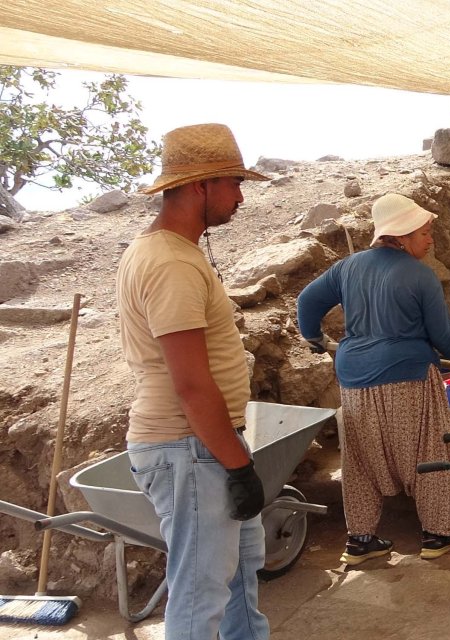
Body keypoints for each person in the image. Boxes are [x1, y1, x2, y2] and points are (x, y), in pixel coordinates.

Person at [116, 123, 271, 640]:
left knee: (239, 572)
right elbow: (190, 384)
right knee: (199, 594)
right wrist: (237, 463)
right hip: (189, 444)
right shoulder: (171, 264)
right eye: (233, 183)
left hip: (201, 443)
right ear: (202, 186)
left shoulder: (173, 253)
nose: (241, 197)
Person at [296, 193, 450, 565]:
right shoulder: (421, 276)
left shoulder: (348, 268)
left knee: (360, 459)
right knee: (427, 451)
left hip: (354, 379)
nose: (430, 239)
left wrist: (313, 337)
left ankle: (360, 540)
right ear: (403, 235)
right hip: (407, 376)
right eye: (425, 232)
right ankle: (438, 534)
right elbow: (443, 338)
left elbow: (307, 303)